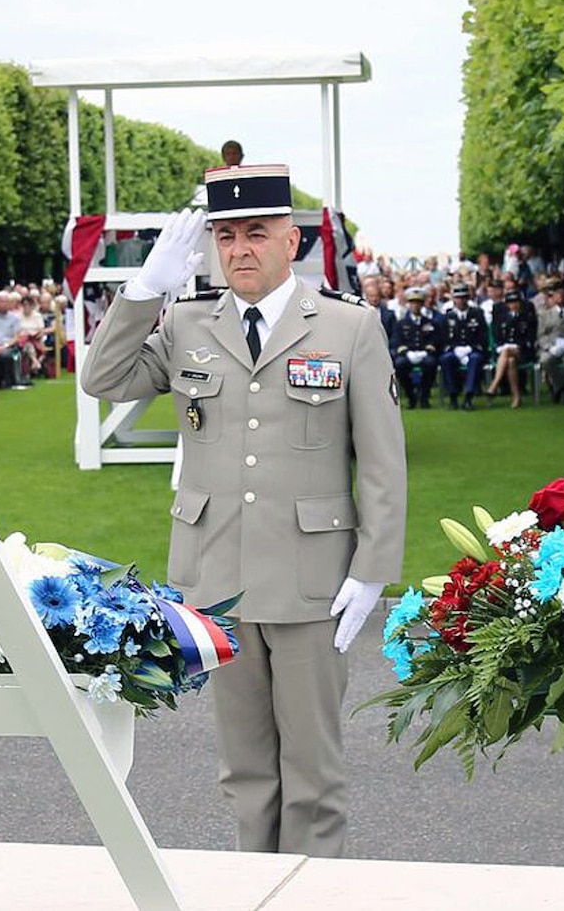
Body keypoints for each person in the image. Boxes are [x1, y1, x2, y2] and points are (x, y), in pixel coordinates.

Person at [82, 164, 405, 858]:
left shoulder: (349, 328)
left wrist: (373, 566)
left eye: (256, 233)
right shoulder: (189, 323)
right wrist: (143, 291)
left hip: (311, 579)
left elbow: (381, 461)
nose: (238, 250)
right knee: (247, 773)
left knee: (314, 776)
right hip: (218, 579)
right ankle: (253, 891)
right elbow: (102, 379)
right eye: (225, 236)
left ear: (292, 240)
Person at [438, 283, 490, 410]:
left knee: (476, 359)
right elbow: (443, 339)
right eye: (458, 298)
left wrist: (471, 348)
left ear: (468, 298)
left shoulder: (477, 314)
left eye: (463, 297)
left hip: (472, 350)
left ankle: (469, 396)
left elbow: (483, 337)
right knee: (446, 359)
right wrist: (454, 348)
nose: (461, 301)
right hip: (454, 351)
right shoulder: (448, 316)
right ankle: (453, 396)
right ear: (453, 299)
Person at [391, 288, 443, 409]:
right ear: (409, 304)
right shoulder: (401, 323)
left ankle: (424, 396)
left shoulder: (430, 323)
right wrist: (406, 351)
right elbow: (396, 341)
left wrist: (427, 350)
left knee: (431, 363)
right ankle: (411, 396)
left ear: (422, 304)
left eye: (418, 302)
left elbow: (436, 340)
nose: (415, 305)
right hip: (407, 354)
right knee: (399, 364)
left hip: (425, 354)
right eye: (413, 302)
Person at [485, 289, 538, 407]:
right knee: (510, 361)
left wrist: (518, 345)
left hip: (523, 351)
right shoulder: (502, 317)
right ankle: (516, 396)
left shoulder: (527, 317)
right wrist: (501, 346)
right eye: (511, 302)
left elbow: (531, 337)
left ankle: (494, 384)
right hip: (505, 352)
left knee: (508, 351)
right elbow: (497, 335)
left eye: (516, 302)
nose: (514, 305)